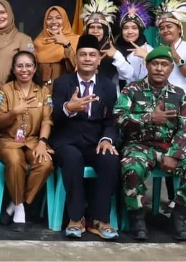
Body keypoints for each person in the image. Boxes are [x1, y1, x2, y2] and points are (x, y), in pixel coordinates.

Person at [115, 46, 186, 241]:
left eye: (164, 64)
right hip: (138, 146)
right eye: (155, 63)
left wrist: (174, 154)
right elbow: (118, 117)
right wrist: (149, 118)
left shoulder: (178, 94)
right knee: (131, 167)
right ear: (146, 65)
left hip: (168, 148)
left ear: (170, 68)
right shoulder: (132, 90)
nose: (159, 68)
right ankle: (138, 219)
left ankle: (179, 218)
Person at [50, 34, 120, 240]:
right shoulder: (63, 83)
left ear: (99, 59)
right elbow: (53, 117)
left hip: (96, 140)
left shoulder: (107, 86)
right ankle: (76, 218)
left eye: (92, 55)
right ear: (76, 59)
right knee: (72, 159)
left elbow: (112, 121)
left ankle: (100, 219)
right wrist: (68, 108)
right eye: (83, 55)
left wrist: (107, 139)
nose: (87, 58)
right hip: (67, 140)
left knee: (110, 160)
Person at [0, 51, 54, 231]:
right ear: (13, 69)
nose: (24, 69)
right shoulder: (5, 90)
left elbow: (47, 120)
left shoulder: (43, 92)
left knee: (45, 163)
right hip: (7, 140)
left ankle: (15, 203)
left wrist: (43, 142)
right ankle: (20, 208)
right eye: (19, 66)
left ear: (35, 68)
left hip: (34, 140)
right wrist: (13, 112)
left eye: (28, 65)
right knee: (14, 160)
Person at [154, 0, 186, 212]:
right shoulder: (158, 51)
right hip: (162, 107)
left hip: (182, 107)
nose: (166, 30)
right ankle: (170, 198)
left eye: (169, 26)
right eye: (162, 27)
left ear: (179, 28)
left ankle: (181, 201)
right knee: (164, 147)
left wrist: (176, 56)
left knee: (179, 150)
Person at [81, 0, 132, 93]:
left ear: (105, 30)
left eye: (99, 28)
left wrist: (116, 55)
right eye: (92, 27)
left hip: (108, 98)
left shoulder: (113, 49)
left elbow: (128, 74)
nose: (95, 31)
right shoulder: (81, 48)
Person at [113, 0, 154, 88]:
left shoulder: (148, 50)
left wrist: (148, 58)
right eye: (126, 28)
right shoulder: (115, 49)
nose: (129, 31)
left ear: (140, 30)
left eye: (134, 28)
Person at [33, 6, 80, 90]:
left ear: (65, 20)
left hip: (65, 92)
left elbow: (78, 68)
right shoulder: (37, 42)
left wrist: (66, 44)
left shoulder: (76, 40)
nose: (54, 22)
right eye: (49, 18)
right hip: (41, 92)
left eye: (58, 18)